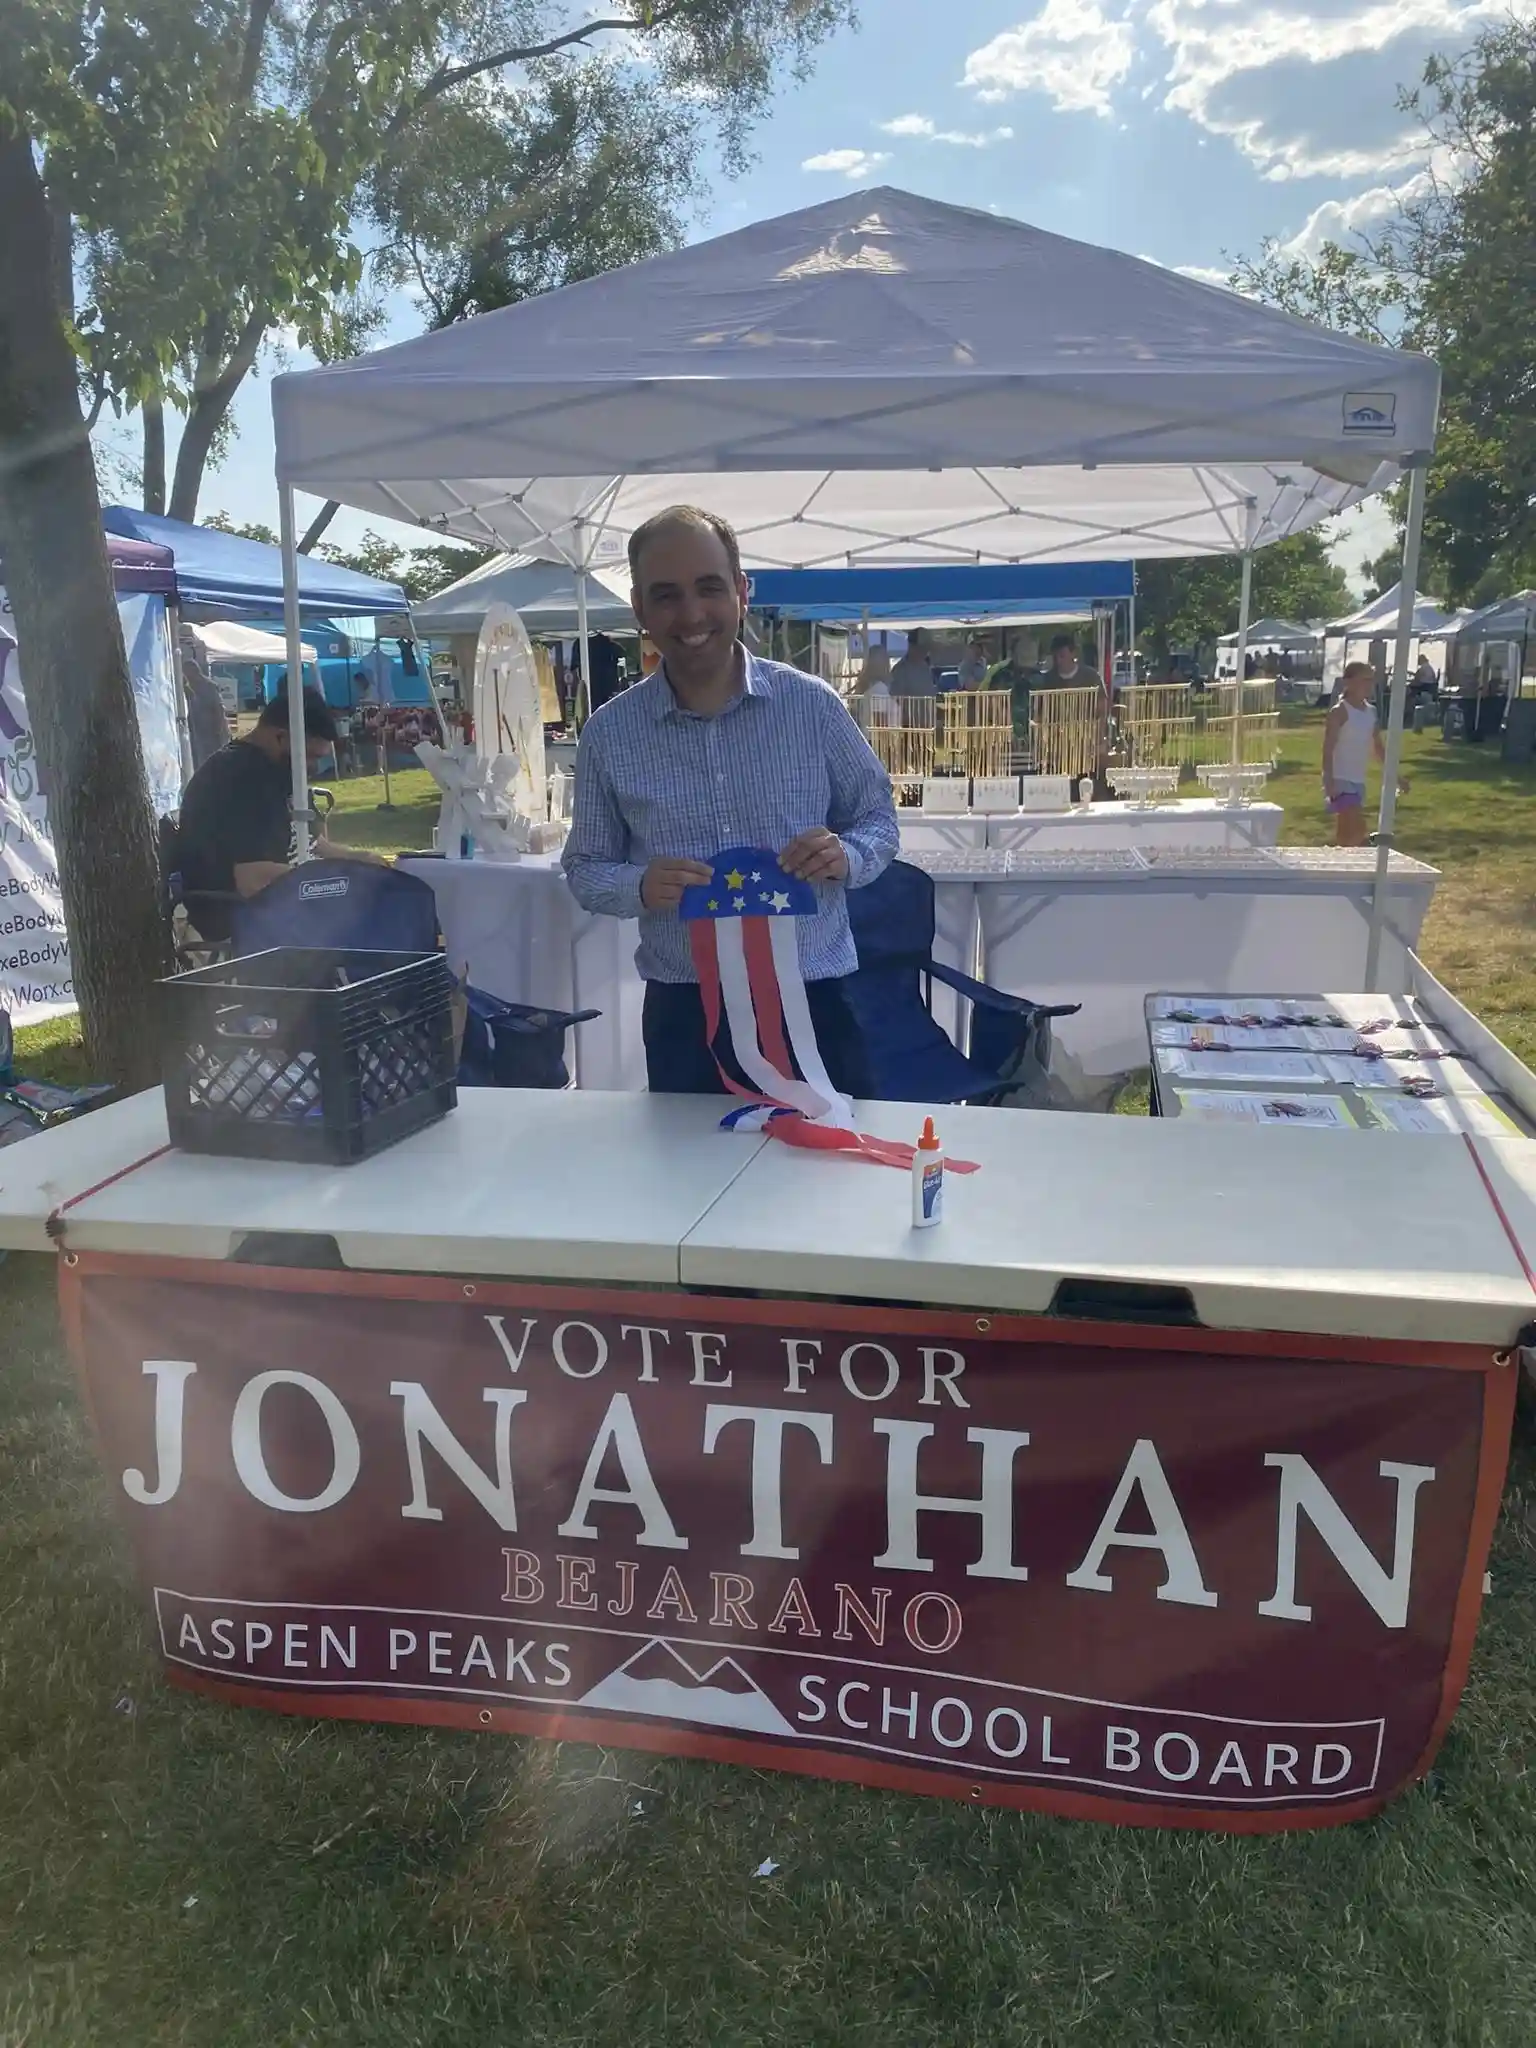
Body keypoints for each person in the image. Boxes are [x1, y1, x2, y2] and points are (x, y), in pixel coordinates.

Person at [562, 504, 898, 1097]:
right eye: (665, 595)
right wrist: (638, 887)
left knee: (832, 1182)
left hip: (813, 1001)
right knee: (690, 1184)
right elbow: (586, 866)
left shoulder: (812, 707)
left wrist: (846, 854)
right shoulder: (609, 735)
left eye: (709, 588)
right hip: (687, 1014)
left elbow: (877, 817)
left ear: (742, 592)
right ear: (639, 607)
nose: (690, 614)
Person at [174, 687, 382, 939]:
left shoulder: (282, 770)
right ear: (281, 737)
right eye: (311, 756)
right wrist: (333, 881)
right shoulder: (240, 778)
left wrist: (360, 858)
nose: (314, 767)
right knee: (379, 924)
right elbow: (253, 880)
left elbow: (315, 845)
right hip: (237, 913)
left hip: (282, 902)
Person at [1322, 660, 1391, 848]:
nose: (1369, 685)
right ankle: (1368, 846)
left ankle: (1340, 859)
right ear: (1349, 683)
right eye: (1364, 680)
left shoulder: (1371, 712)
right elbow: (1328, 748)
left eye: (1371, 680)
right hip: (1340, 778)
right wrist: (1328, 779)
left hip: (1358, 779)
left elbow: (1378, 747)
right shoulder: (1339, 712)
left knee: (1346, 832)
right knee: (1356, 825)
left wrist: (1395, 776)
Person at [177, 631, 231, 771]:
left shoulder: (209, 686)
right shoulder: (186, 688)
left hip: (210, 731)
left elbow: (218, 710)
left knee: (210, 758)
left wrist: (220, 730)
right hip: (196, 731)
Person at [887, 628, 937, 699]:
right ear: (912, 646)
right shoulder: (900, 670)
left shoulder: (925, 667)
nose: (926, 652)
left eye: (927, 648)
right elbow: (896, 700)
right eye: (923, 647)